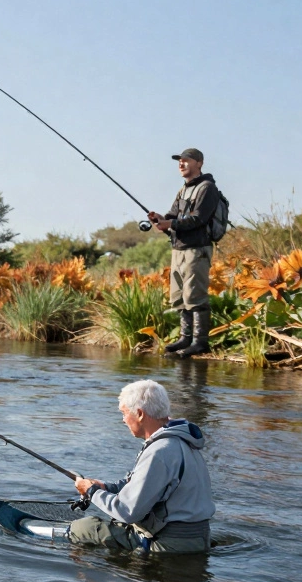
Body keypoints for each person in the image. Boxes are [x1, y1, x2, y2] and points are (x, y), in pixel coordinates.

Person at [69, 380, 214, 554]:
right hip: (197, 539)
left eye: (124, 413)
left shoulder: (159, 452)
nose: (123, 420)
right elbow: (146, 485)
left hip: (170, 544)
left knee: (82, 527)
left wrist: (92, 492)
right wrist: (106, 488)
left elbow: (127, 511)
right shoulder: (182, 442)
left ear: (139, 414)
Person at [148, 148, 223, 357]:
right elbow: (173, 215)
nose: (181, 164)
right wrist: (159, 219)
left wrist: (170, 222)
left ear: (199, 163)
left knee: (195, 295)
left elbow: (198, 218)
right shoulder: (183, 190)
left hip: (197, 249)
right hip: (179, 249)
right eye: (179, 162)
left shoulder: (207, 188)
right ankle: (185, 338)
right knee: (180, 295)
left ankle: (200, 342)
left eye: (186, 161)